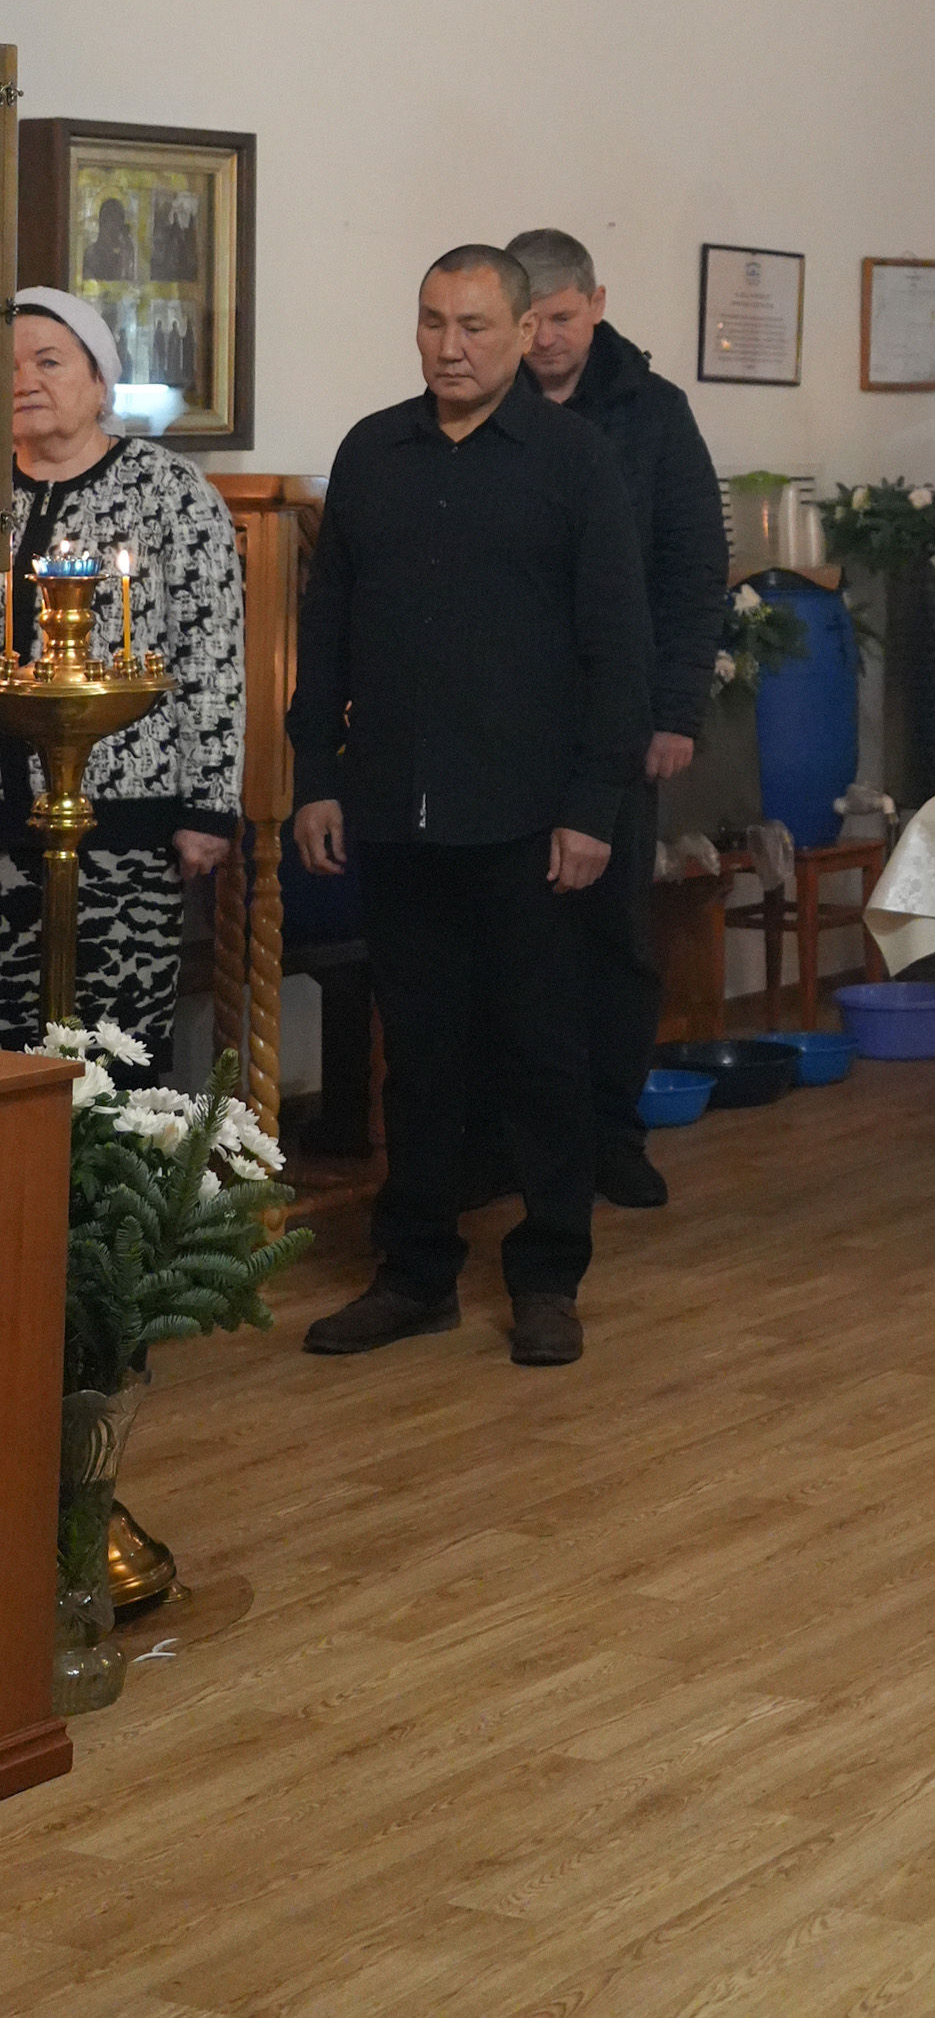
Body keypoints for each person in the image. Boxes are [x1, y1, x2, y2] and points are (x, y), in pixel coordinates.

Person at [289, 247, 650, 1369]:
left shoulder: (574, 460)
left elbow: (619, 648)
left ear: (525, 331)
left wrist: (593, 806)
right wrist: (315, 775)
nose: (451, 347)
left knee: (541, 1055)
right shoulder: (372, 452)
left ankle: (546, 1276)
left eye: (476, 326)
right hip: (396, 813)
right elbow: (327, 625)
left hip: (532, 820)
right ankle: (415, 1274)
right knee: (420, 1057)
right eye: (433, 323)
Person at [505, 227, 728, 1207]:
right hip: (506, 718)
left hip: (619, 714)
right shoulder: (485, 402)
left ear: (596, 304)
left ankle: (612, 1131)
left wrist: (674, 711)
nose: (547, 338)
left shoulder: (653, 411)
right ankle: (510, 1137)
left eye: (562, 317)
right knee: (512, 935)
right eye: (530, 320)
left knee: (615, 937)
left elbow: (692, 569)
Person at [0, 290, 244, 1056]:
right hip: (4, 818)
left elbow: (212, 654)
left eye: (48, 361)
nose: (24, 380)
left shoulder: (172, 493)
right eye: (10, 364)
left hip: (125, 817)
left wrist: (210, 805)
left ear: (100, 380)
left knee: (114, 1049)